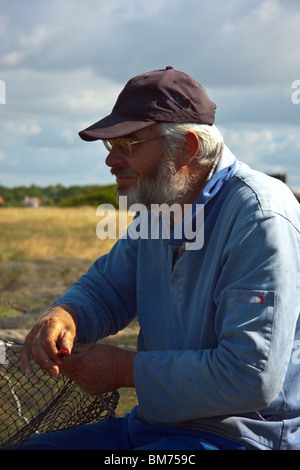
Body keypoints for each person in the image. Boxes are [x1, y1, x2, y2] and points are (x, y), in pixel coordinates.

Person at [19, 66, 300, 450]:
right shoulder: (160, 208)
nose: (111, 161)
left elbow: (250, 376)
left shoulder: (260, 215)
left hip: (244, 437)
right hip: (153, 425)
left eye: (128, 143)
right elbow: (108, 288)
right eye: (109, 145)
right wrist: (66, 314)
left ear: (187, 147)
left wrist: (124, 369)